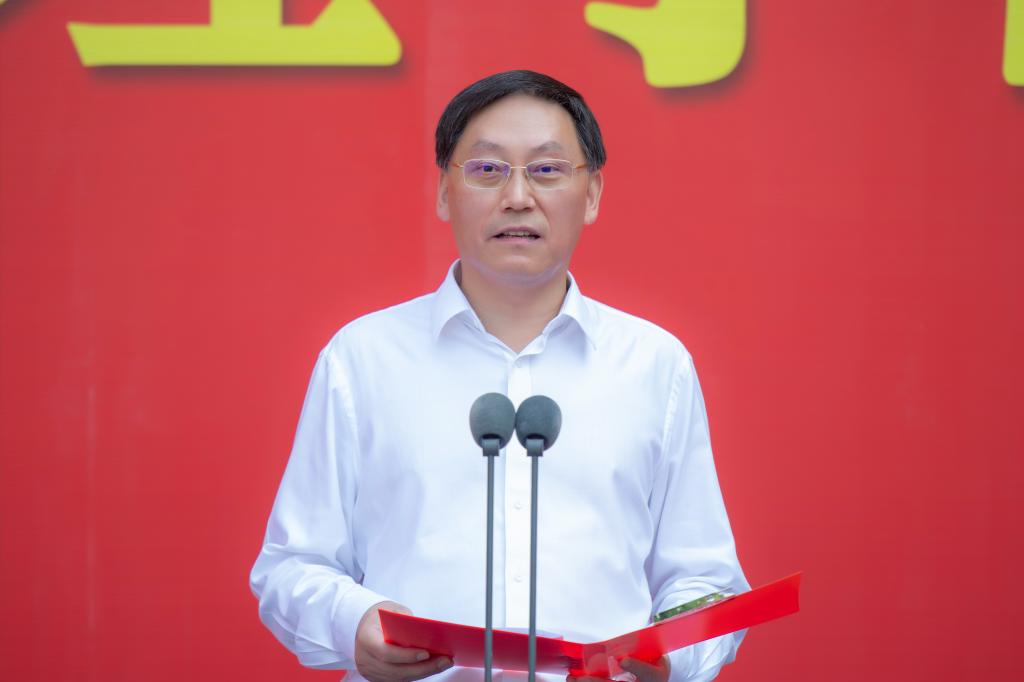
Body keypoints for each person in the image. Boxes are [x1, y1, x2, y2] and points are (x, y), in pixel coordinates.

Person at [250, 70, 749, 682]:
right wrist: (354, 622)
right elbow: (291, 567)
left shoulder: (654, 365)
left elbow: (704, 580)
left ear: (592, 194)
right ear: (444, 192)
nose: (517, 196)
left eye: (547, 170)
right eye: (487, 169)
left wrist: (671, 653)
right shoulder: (362, 358)